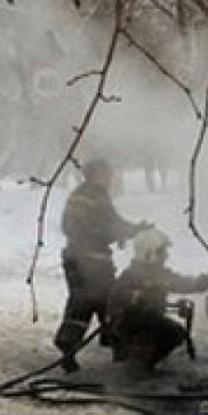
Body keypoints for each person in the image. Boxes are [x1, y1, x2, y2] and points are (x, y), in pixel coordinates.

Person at [53, 159, 148, 371]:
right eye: (108, 175)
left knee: (80, 304)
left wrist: (127, 230)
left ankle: (69, 343)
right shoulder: (97, 196)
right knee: (111, 303)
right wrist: (134, 230)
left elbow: (69, 227)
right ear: (98, 174)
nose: (111, 179)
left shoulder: (77, 195)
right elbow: (112, 225)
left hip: (74, 259)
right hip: (93, 262)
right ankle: (119, 349)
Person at [108, 228, 208, 370]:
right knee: (154, 336)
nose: (166, 256)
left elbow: (183, 283)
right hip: (129, 329)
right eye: (162, 252)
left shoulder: (156, 273)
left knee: (175, 333)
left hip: (145, 324)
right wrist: (137, 296)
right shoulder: (132, 276)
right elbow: (118, 299)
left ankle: (145, 365)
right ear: (149, 253)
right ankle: (134, 367)